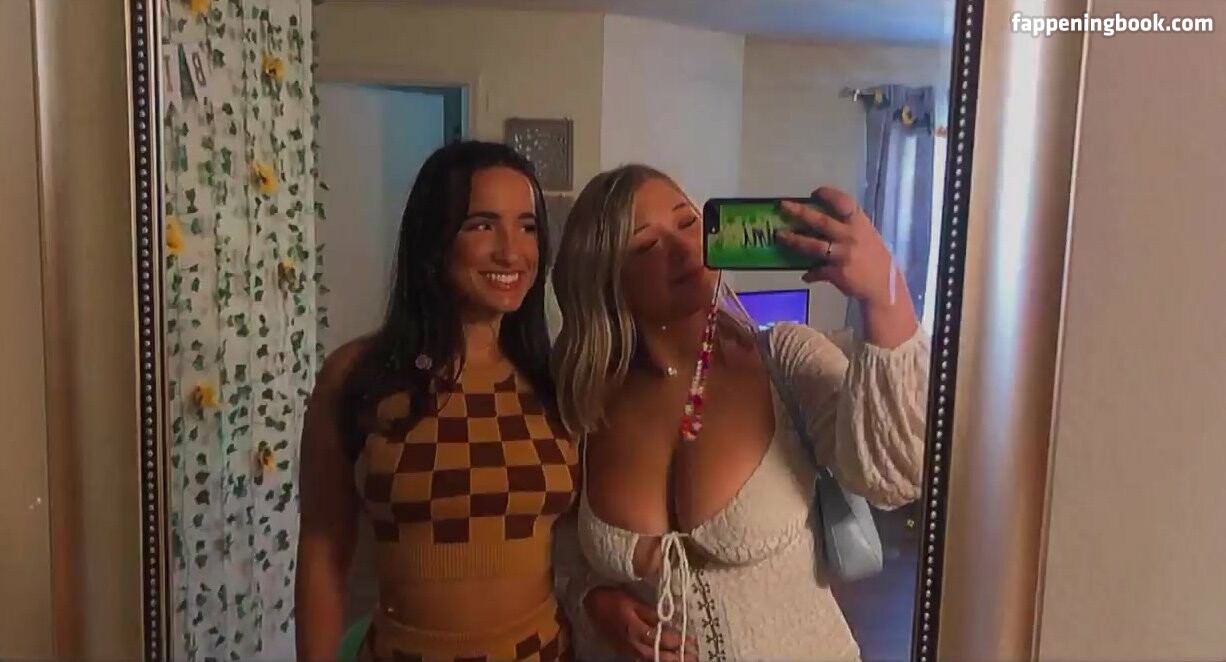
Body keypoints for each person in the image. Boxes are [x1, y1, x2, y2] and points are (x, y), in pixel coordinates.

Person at [549, 164, 930, 661]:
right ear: (602, 279)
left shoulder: (784, 360)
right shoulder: (584, 396)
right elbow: (563, 547)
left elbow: (894, 477)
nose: (685, 248)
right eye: (646, 244)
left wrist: (884, 298)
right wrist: (594, 601)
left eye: (689, 222)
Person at [296, 141, 585, 662]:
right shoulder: (357, 375)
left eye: (527, 226)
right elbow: (322, 550)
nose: (511, 252)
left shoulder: (558, 380)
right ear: (434, 239)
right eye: (482, 225)